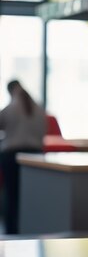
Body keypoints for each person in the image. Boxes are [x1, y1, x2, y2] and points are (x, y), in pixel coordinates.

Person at [0, 80, 47, 234]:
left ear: (10, 90)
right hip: (35, 157)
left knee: (11, 195)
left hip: (11, 156)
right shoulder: (39, 109)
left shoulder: (11, 108)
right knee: (31, 196)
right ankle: (30, 230)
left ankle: (11, 232)